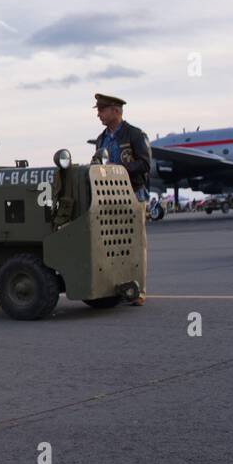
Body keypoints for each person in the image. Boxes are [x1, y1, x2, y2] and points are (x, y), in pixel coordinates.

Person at [93, 93, 151, 305]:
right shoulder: (101, 139)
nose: (98, 114)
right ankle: (114, 286)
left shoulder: (134, 134)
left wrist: (117, 170)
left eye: (102, 110)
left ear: (115, 111)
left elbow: (145, 164)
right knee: (111, 244)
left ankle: (139, 290)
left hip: (133, 194)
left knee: (136, 244)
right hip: (108, 197)